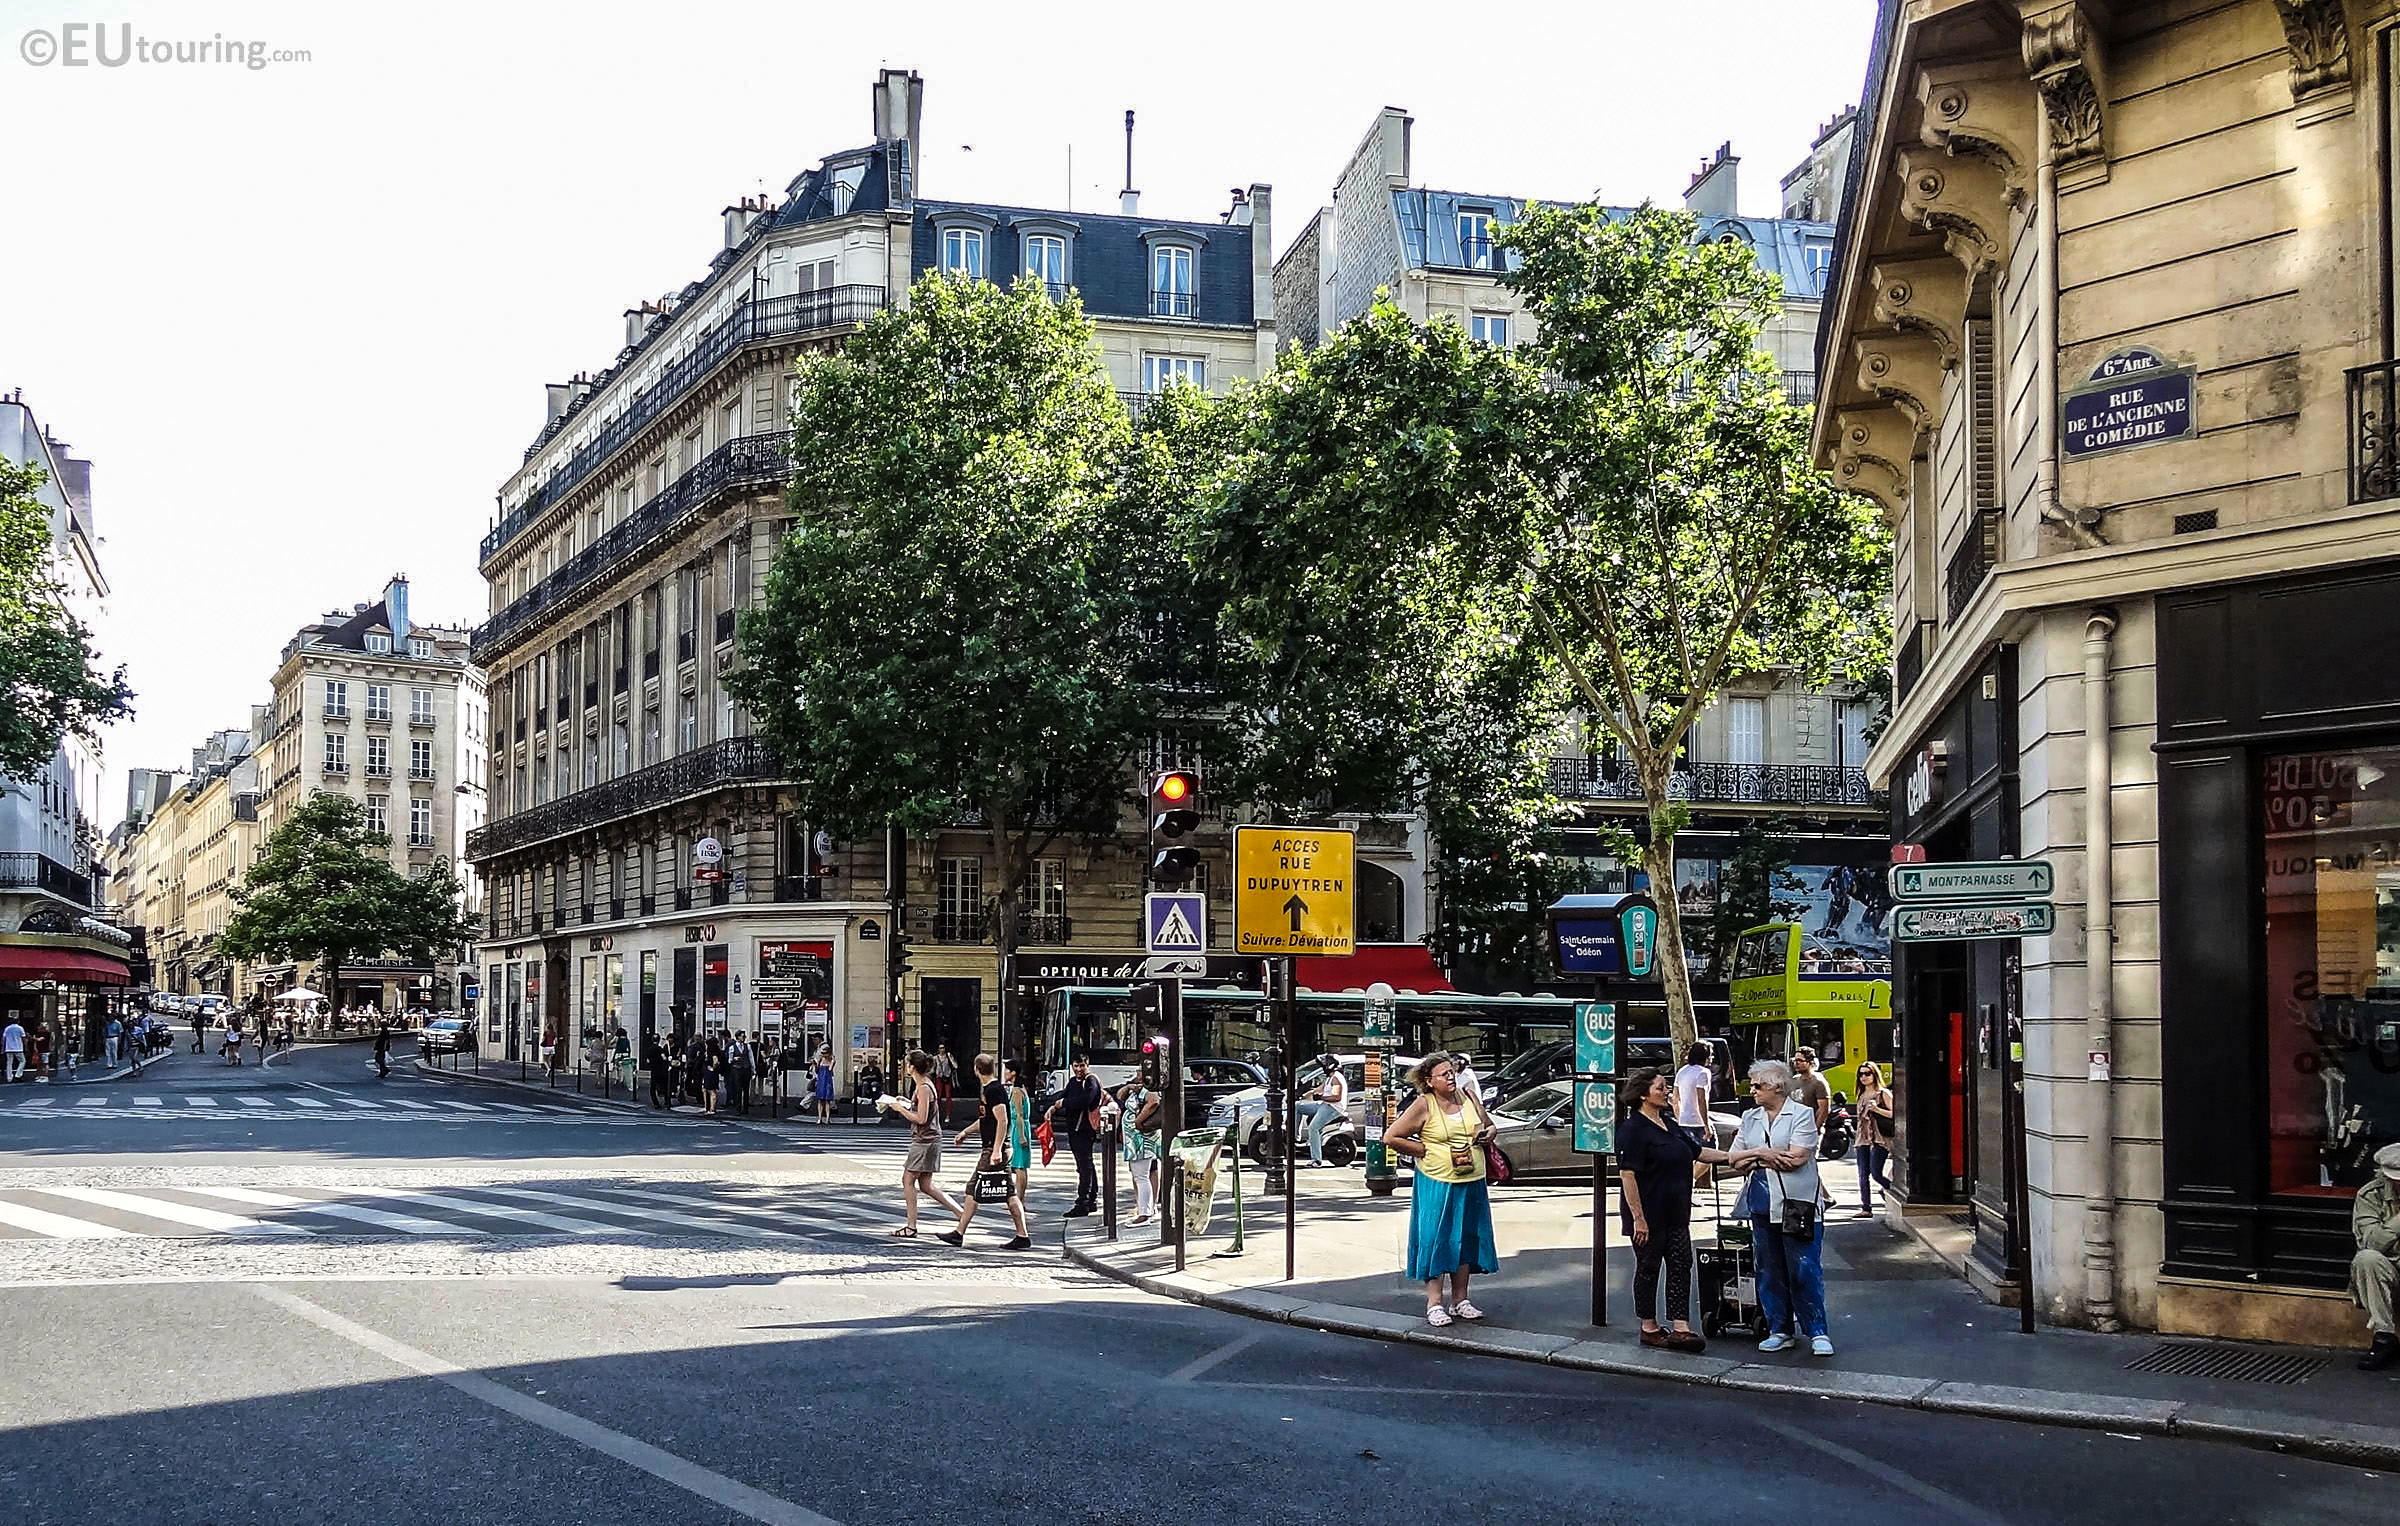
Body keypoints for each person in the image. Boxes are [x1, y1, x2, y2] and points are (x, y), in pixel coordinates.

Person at [1619, 1067, 1735, 1353]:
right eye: (1660, 1088)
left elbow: (1697, 1153)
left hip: (1676, 1212)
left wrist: (1737, 1157)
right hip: (1648, 1215)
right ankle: (1649, 1326)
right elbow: (1628, 1176)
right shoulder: (1633, 1130)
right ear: (1644, 1094)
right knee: (1648, 1267)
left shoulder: (1668, 1123)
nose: (1666, 1091)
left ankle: (1681, 1326)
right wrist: (1638, 1219)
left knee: (1682, 1264)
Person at [1384, 1053, 1499, 1328]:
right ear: (1429, 1081)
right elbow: (1391, 1136)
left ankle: (1461, 1300)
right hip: (1438, 1181)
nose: (1451, 1077)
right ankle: (1434, 1302)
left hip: (1471, 1180)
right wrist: (1421, 1149)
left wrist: (1490, 1133)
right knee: (1437, 1238)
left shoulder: (1469, 1096)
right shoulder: (1425, 1104)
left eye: (1452, 1071)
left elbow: (1488, 1123)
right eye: (1444, 1074)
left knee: (1465, 1237)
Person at [1731, 1058, 1834, 1357]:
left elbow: (1797, 1158)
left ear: (1777, 1086)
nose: (1753, 1091)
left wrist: (1756, 1157)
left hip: (1797, 1204)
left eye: (1758, 1086)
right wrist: (1764, 1153)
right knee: (1769, 1268)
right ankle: (1780, 1329)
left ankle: (1817, 1331)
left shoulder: (1801, 1115)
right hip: (1761, 1203)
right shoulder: (1750, 1118)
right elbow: (1734, 1159)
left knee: (1804, 1268)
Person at [938, 1054, 1032, 1249]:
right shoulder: (990, 1089)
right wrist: (965, 1132)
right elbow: (986, 1120)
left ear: (976, 1069)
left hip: (995, 1149)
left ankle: (959, 1233)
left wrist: (996, 1149)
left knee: (974, 1188)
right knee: (1008, 1193)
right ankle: (1022, 1236)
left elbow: (1003, 1120)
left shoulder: (994, 1090)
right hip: (997, 1147)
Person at [879, 1049, 960, 1237]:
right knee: (926, 1185)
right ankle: (961, 1214)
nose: (904, 1066)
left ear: (913, 1067)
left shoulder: (923, 1087)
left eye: (907, 1063)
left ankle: (911, 1226)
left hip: (925, 1140)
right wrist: (906, 1102)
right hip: (929, 1139)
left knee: (908, 1180)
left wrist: (901, 1109)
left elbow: (921, 1118)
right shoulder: (924, 1085)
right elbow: (923, 1110)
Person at [2352, 1142, 2400, 1370]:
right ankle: (2384, 1338)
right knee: (2367, 1259)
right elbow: (2371, 1242)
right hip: (2390, 1269)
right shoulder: (2371, 1195)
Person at [1046, 1053, 1104, 1217]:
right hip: (1074, 1128)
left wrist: (1063, 1103)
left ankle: (1083, 1202)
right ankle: (1091, 1200)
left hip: (1084, 1129)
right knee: (1086, 1165)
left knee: (1084, 1166)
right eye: (1076, 1066)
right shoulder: (1073, 1082)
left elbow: (1085, 1100)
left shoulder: (1091, 1081)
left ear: (1087, 1065)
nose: (1078, 1069)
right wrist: (1053, 1106)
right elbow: (1064, 1095)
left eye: (1081, 1066)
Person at [1115, 1068, 1164, 1224]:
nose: (1136, 1074)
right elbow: (1119, 1096)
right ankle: (1146, 1208)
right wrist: (1129, 1087)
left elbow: (1154, 1102)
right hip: (1135, 1139)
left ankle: (1145, 1213)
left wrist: (1137, 1121)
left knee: (1141, 1176)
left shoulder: (1150, 1089)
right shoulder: (1137, 1089)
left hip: (1142, 1139)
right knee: (1140, 1175)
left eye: (1139, 1072)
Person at [1855, 1061, 1897, 1215]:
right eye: (1861, 1074)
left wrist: (1877, 1109)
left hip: (1878, 1139)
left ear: (1874, 1075)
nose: (1864, 1077)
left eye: (1867, 1073)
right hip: (1862, 1138)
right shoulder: (1861, 1094)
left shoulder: (1883, 1093)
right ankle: (1866, 1207)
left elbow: (1894, 1114)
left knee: (1876, 1173)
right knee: (1862, 1174)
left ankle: (1891, 1191)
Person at [1298, 1054, 1348, 1169]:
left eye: (1323, 1065)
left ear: (1329, 1065)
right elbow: (1317, 1090)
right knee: (1297, 1107)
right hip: (1324, 1105)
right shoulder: (1330, 1078)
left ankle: (1316, 1160)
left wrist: (1321, 1098)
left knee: (1313, 1128)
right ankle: (1296, 1137)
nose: (1322, 1067)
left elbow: (1336, 1097)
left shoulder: (1336, 1078)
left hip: (1333, 1108)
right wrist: (1302, 1096)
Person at [1003, 1056, 1035, 1202]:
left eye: (1007, 1070)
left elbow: (1020, 1115)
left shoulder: (1016, 1091)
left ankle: (1019, 1199)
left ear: (1013, 1073)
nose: (1004, 1073)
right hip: (1022, 1127)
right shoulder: (1021, 1089)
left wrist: (1021, 1136)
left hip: (1019, 1128)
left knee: (1019, 1166)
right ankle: (1020, 1199)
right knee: (1021, 1166)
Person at [1673, 1041, 1716, 1147]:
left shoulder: (1681, 1071)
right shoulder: (1704, 1072)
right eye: (1710, 1055)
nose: (1712, 1058)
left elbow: (1675, 1099)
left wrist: (1680, 1118)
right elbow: (1702, 1099)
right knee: (1709, 1154)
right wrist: (1706, 1125)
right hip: (1698, 1123)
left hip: (1683, 1122)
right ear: (1705, 1057)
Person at [1790, 1047, 1831, 1136]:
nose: (1796, 1063)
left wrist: (1815, 1129)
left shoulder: (1818, 1082)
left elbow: (1824, 1109)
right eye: (1794, 1060)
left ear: (1810, 1063)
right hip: (1794, 1128)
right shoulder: (1794, 1080)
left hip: (1810, 1129)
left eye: (1800, 1060)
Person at [812, 1042, 835, 1123]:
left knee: (827, 1100)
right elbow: (817, 1071)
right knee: (820, 1100)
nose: (823, 1055)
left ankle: (828, 1118)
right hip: (821, 1080)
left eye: (825, 1053)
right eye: (822, 1053)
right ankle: (820, 1117)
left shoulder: (831, 1061)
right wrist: (816, 1064)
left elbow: (830, 1070)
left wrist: (832, 1061)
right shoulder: (820, 1060)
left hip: (827, 1081)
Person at [932, 1043, 957, 1112]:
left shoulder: (948, 1057)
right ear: (938, 1049)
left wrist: (950, 1058)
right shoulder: (935, 1058)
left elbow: (955, 1066)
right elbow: (933, 1069)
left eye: (943, 1048)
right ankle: (937, 1111)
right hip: (939, 1078)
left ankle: (948, 1113)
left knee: (948, 1096)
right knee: (938, 1096)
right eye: (940, 1048)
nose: (942, 1049)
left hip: (947, 1078)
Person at [2, 1017, 24, 1084]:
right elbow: (23, 1037)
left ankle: (9, 1078)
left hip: (8, 1048)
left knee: (9, 1063)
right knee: (22, 1061)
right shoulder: (20, 1028)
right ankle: (18, 1074)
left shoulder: (7, 1028)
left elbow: (3, 1039)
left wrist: (3, 1048)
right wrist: (25, 1047)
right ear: (18, 1022)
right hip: (18, 1048)